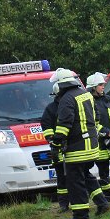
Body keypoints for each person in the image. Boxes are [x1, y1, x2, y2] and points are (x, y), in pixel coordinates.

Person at [49, 68, 110, 219]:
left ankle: (80, 215)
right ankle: (102, 203)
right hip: (92, 145)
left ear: (61, 84)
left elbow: (64, 125)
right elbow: (97, 117)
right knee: (86, 175)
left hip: (77, 149)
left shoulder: (66, 99)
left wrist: (56, 143)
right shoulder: (86, 95)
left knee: (74, 181)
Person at [86, 72, 110, 202]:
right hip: (99, 142)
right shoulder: (89, 102)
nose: (103, 86)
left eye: (103, 84)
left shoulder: (108, 100)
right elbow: (91, 123)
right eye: (100, 85)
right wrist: (105, 132)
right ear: (93, 87)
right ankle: (108, 195)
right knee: (103, 170)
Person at [41, 84, 69, 212]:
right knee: (61, 178)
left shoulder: (69, 105)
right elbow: (46, 127)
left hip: (72, 147)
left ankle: (76, 201)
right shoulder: (51, 109)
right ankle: (63, 204)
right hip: (57, 148)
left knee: (74, 177)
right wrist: (53, 141)